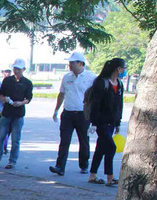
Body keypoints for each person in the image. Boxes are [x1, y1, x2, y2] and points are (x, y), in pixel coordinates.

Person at [50, 52, 95, 176]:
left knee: (84, 140)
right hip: (68, 113)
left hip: (83, 114)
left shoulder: (91, 77)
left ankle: (84, 164)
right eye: (69, 63)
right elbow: (62, 94)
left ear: (80, 63)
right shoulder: (67, 77)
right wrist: (56, 110)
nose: (70, 65)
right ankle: (60, 166)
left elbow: (95, 97)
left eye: (72, 63)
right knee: (64, 140)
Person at [87, 58, 126, 186]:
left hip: (112, 122)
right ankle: (110, 177)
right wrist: (94, 122)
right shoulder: (101, 83)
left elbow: (120, 105)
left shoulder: (119, 85)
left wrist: (118, 123)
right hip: (101, 122)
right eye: (123, 68)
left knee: (101, 148)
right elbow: (95, 104)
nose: (124, 71)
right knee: (111, 147)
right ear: (117, 69)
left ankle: (92, 175)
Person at [0, 59, 33, 170]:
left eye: (19, 69)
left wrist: (21, 103)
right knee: (0, 137)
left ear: (23, 70)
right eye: (15, 69)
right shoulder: (7, 81)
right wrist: (4, 99)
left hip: (18, 114)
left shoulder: (27, 83)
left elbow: (28, 98)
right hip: (6, 112)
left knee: (15, 139)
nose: (16, 71)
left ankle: (12, 161)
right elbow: (0, 95)